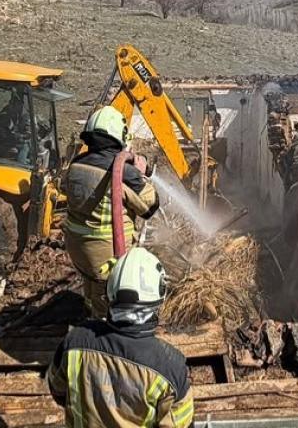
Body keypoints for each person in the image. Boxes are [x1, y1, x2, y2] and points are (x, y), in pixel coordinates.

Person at [48, 248, 194, 428]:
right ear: (159, 296)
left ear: (109, 292)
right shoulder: (171, 367)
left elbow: (58, 390)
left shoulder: (75, 342)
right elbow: (180, 424)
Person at [63, 106, 159, 318]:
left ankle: (89, 315)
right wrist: (140, 174)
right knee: (108, 303)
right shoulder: (122, 171)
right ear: (120, 135)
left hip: (78, 250)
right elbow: (150, 207)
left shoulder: (76, 164)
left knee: (91, 289)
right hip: (107, 256)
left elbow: (65, 189)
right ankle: (101, 338)